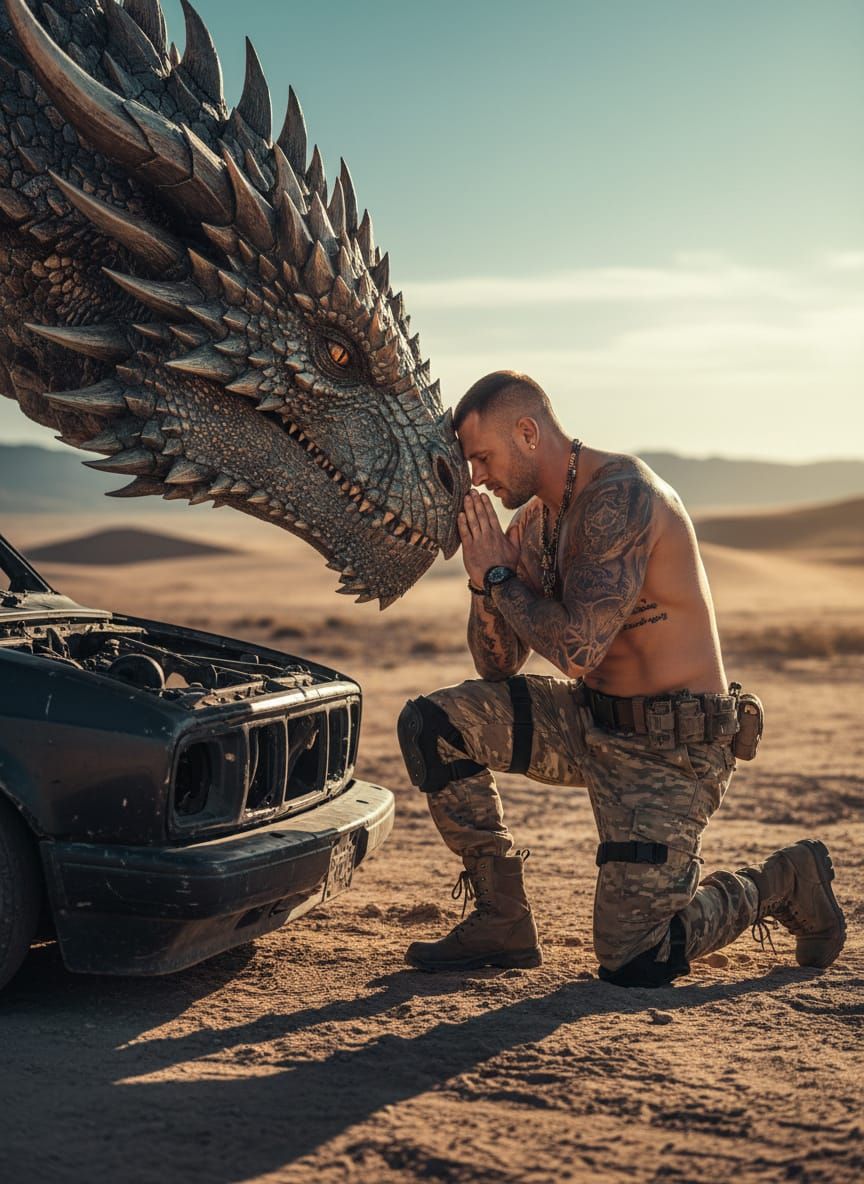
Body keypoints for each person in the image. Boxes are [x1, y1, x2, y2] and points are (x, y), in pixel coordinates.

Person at [397, 370, 845, 986]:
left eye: (482, 456)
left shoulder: (621, 497)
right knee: (436, 725)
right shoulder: (534, 523)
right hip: (589, 721)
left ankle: (785, 881)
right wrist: (483, 581)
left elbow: (578, 648)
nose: (476, 475)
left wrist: (503, 580)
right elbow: (496, 666)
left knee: (636, 957)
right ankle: (501, 918)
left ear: (527, 433)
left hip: (672, 746)